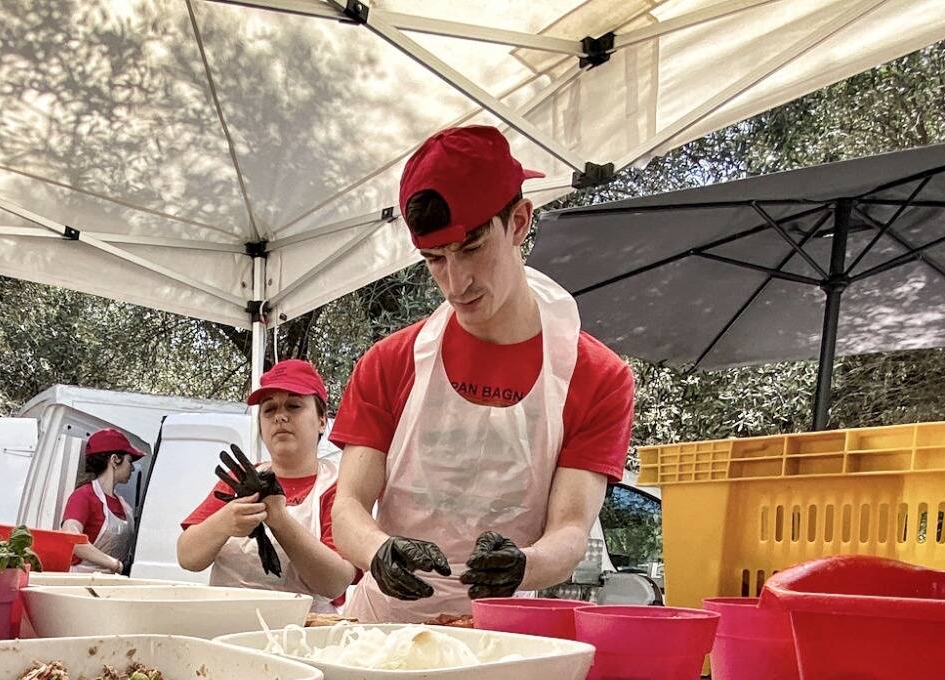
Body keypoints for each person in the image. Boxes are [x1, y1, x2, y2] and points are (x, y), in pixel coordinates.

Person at [328, 126, 635, 621]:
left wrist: (523, 564)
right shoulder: (390, 362)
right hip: (381, 631)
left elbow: (571, 531)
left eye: (471, 249)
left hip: (499, 633)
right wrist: (376, 551)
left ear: (518, 222)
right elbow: (348, 509)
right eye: (434, 260)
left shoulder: (596, 376)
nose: (456, 282)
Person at [176, 359, 356, 610]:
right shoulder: (239, 480)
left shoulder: (339, 488)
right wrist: (224, 521)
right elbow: (187, 557)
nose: (280, 417)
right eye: (269, 410)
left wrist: (280, 520)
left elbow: (335, 582)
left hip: (302, 636)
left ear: (322, 420)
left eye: (294, 406)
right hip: (228, 628)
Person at [60, 428, 146, 572]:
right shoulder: (84, 496)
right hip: (81, 581)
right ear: (114, 460)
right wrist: (115, 565)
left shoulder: (124, 505)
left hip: (110, 581)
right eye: (129, 461)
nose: (131, 468)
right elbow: (72, 538)